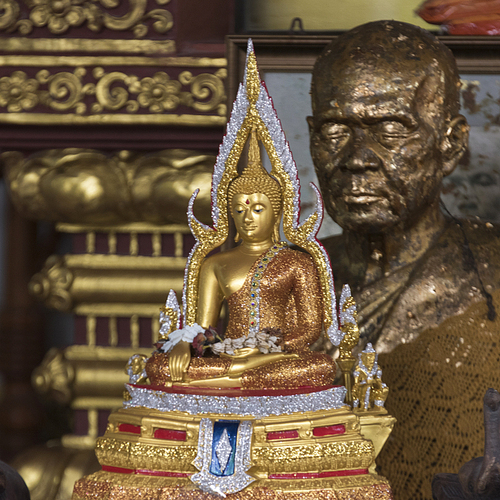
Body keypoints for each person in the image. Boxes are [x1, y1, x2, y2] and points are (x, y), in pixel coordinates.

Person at [308, 20, 500, 500]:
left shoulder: (492, 273)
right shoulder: (281, 281)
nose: (357, 158)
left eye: (391, 129)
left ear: (450, 143)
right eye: (335, 131)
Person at [145, 130, 335, 390]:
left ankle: (226, 381)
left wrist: (267, 347)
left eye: (258, 209)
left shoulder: (297, 262)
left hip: (276, 357)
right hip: (227, 353)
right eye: (239, 210)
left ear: (277, 213)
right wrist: (183, 345)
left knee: (321, 367)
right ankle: (236, 375)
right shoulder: (216, 264)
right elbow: (202, 327)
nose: (248, 217)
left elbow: (311, 328)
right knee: (159, 367)